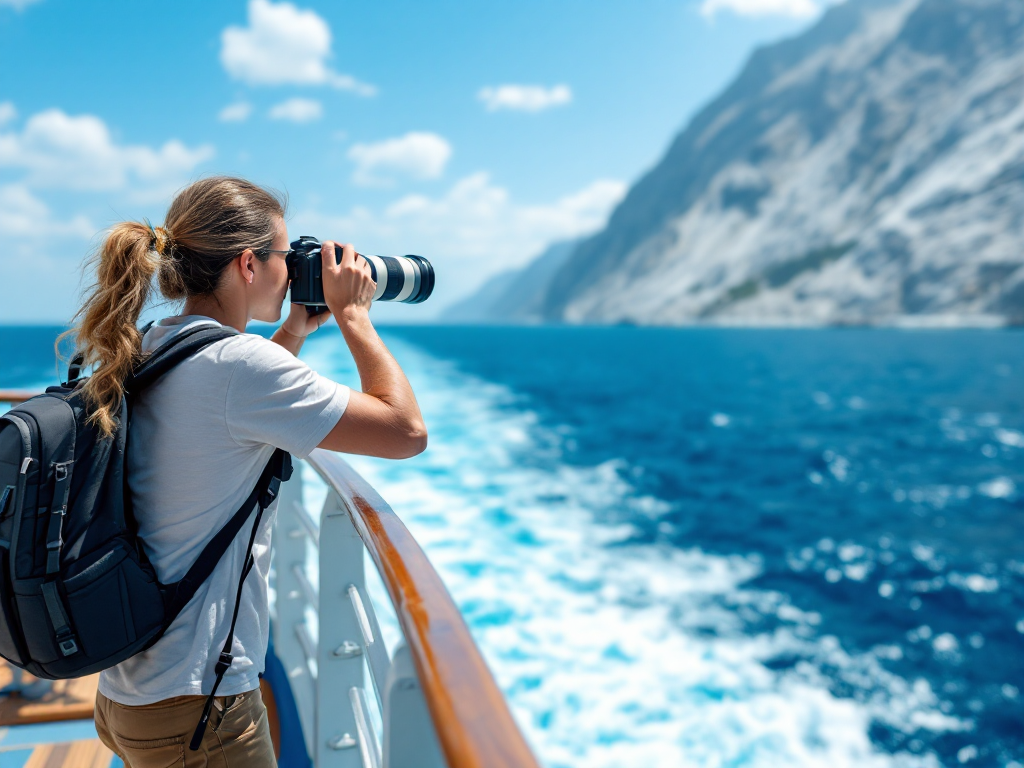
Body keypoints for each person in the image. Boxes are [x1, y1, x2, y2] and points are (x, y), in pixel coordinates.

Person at [67, 176, 427, 767]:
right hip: (196, 708)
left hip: (130, 694)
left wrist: (293, 331)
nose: (292, 272)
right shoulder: (239, 366)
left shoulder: (158, 343)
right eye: (286, 256)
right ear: (247, 265)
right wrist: (355, 316)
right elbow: (406, 431)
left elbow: (226, 411)